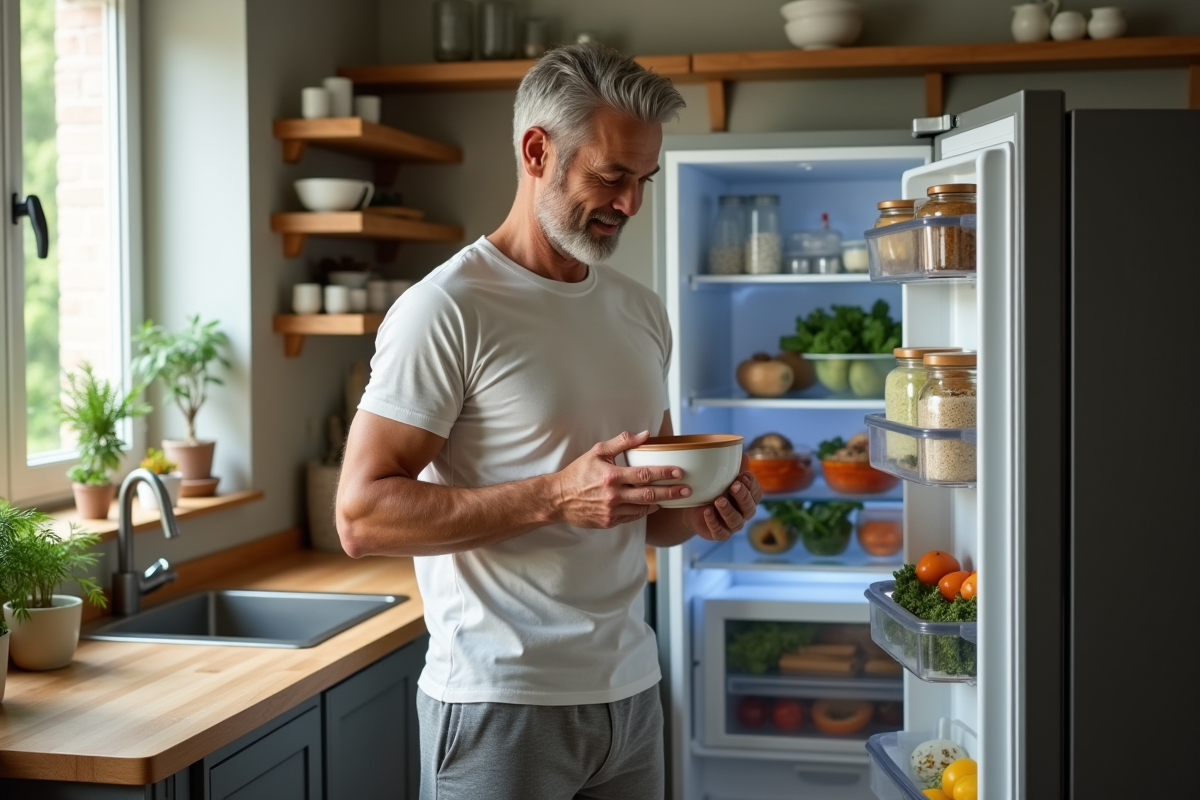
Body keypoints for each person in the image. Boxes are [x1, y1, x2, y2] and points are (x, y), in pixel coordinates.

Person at [335, 41, 762, 800]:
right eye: (612, 176)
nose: (630, 203)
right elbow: (363, 516)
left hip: (631, 694)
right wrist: (555, 496)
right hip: (501, 702)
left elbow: (643, 514)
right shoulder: (446, 309)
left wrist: (701, 513)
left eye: (644, 181)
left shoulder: (639, 310)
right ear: (538, 151)